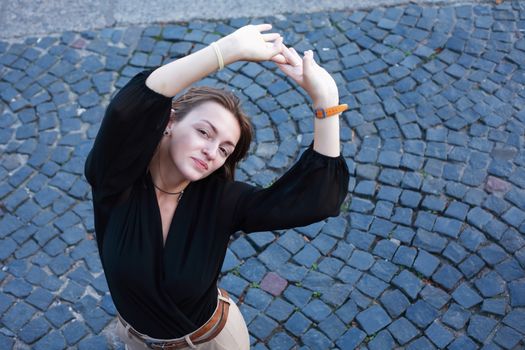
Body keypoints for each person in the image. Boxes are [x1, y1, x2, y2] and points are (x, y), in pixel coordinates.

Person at [84, 23, 349, 350]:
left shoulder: (222, 200)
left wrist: (326, 100)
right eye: (204, 132)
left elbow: (318, 199)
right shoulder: (117, 177)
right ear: (169, 122)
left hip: (213, 342)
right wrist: (225, 52)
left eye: (224, 148)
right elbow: (132, 105)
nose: (212, 151)